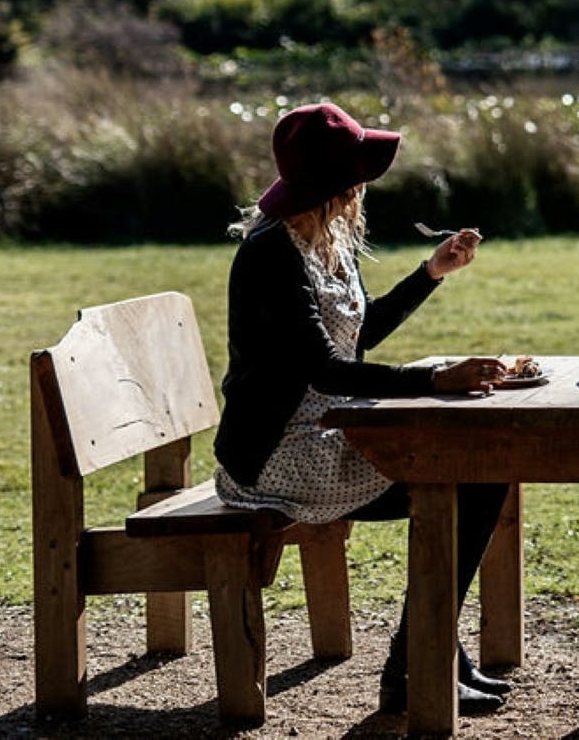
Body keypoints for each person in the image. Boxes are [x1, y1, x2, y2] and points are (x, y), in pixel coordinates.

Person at [212, 101, 513, 715]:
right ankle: (418, 662)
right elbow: (326, 369)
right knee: (466, 480)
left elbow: (360, 333)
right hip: (278, 456)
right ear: (339, 184)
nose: (365, 187)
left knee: (479, 470)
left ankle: (431, 651)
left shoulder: (325, 242)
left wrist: (430, 273)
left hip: (330, 430)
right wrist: (436, 379)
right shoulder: (271, 255)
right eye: (359, 174)